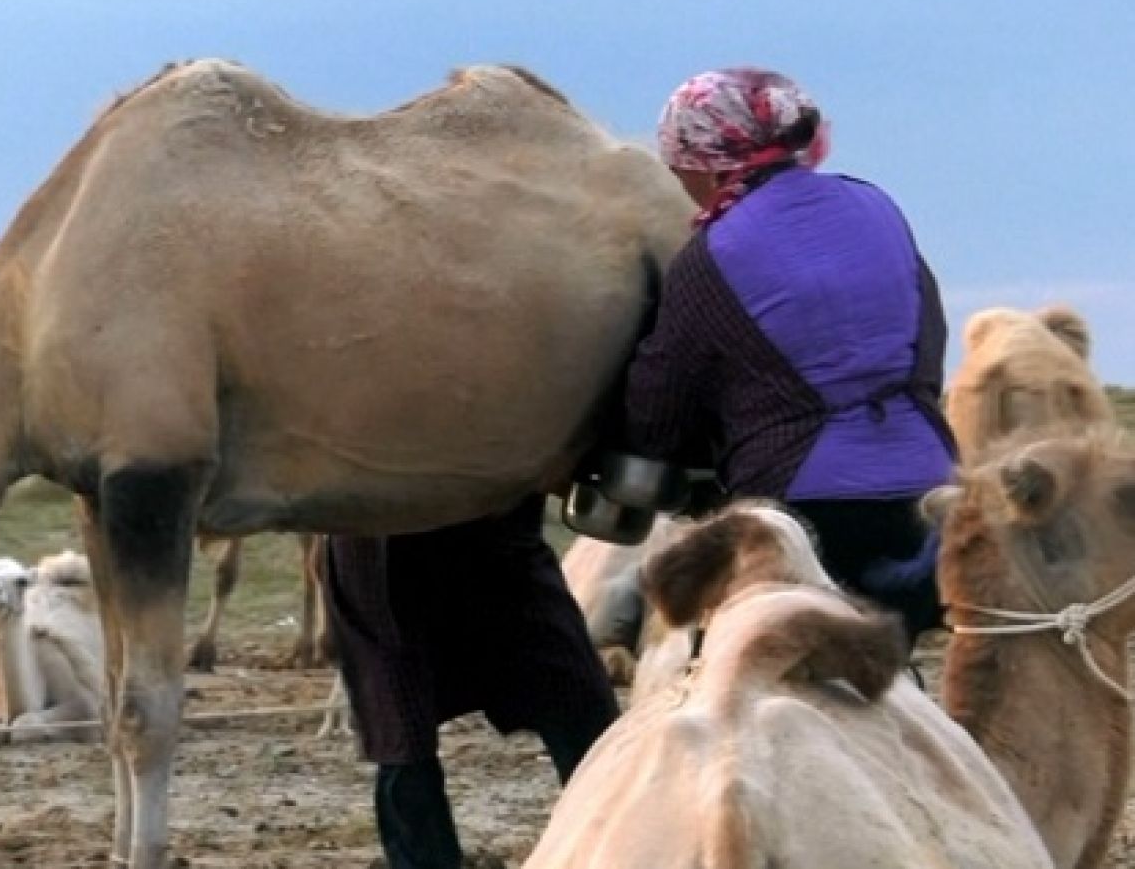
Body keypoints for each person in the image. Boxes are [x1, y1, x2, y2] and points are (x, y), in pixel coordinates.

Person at [622, 66, 955, 645]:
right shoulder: (875, 206)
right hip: (925, 490)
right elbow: (927, 336)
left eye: (680, 167)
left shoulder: (713, 257)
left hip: (807, 509)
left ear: (707, 161)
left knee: (741, 666)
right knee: (887, 672)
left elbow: (659, 410)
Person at [323, 497, 621, 869]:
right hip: (383, 543)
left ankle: (619, 853)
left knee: (581, 707)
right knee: (402, 734)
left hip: (500, 530)